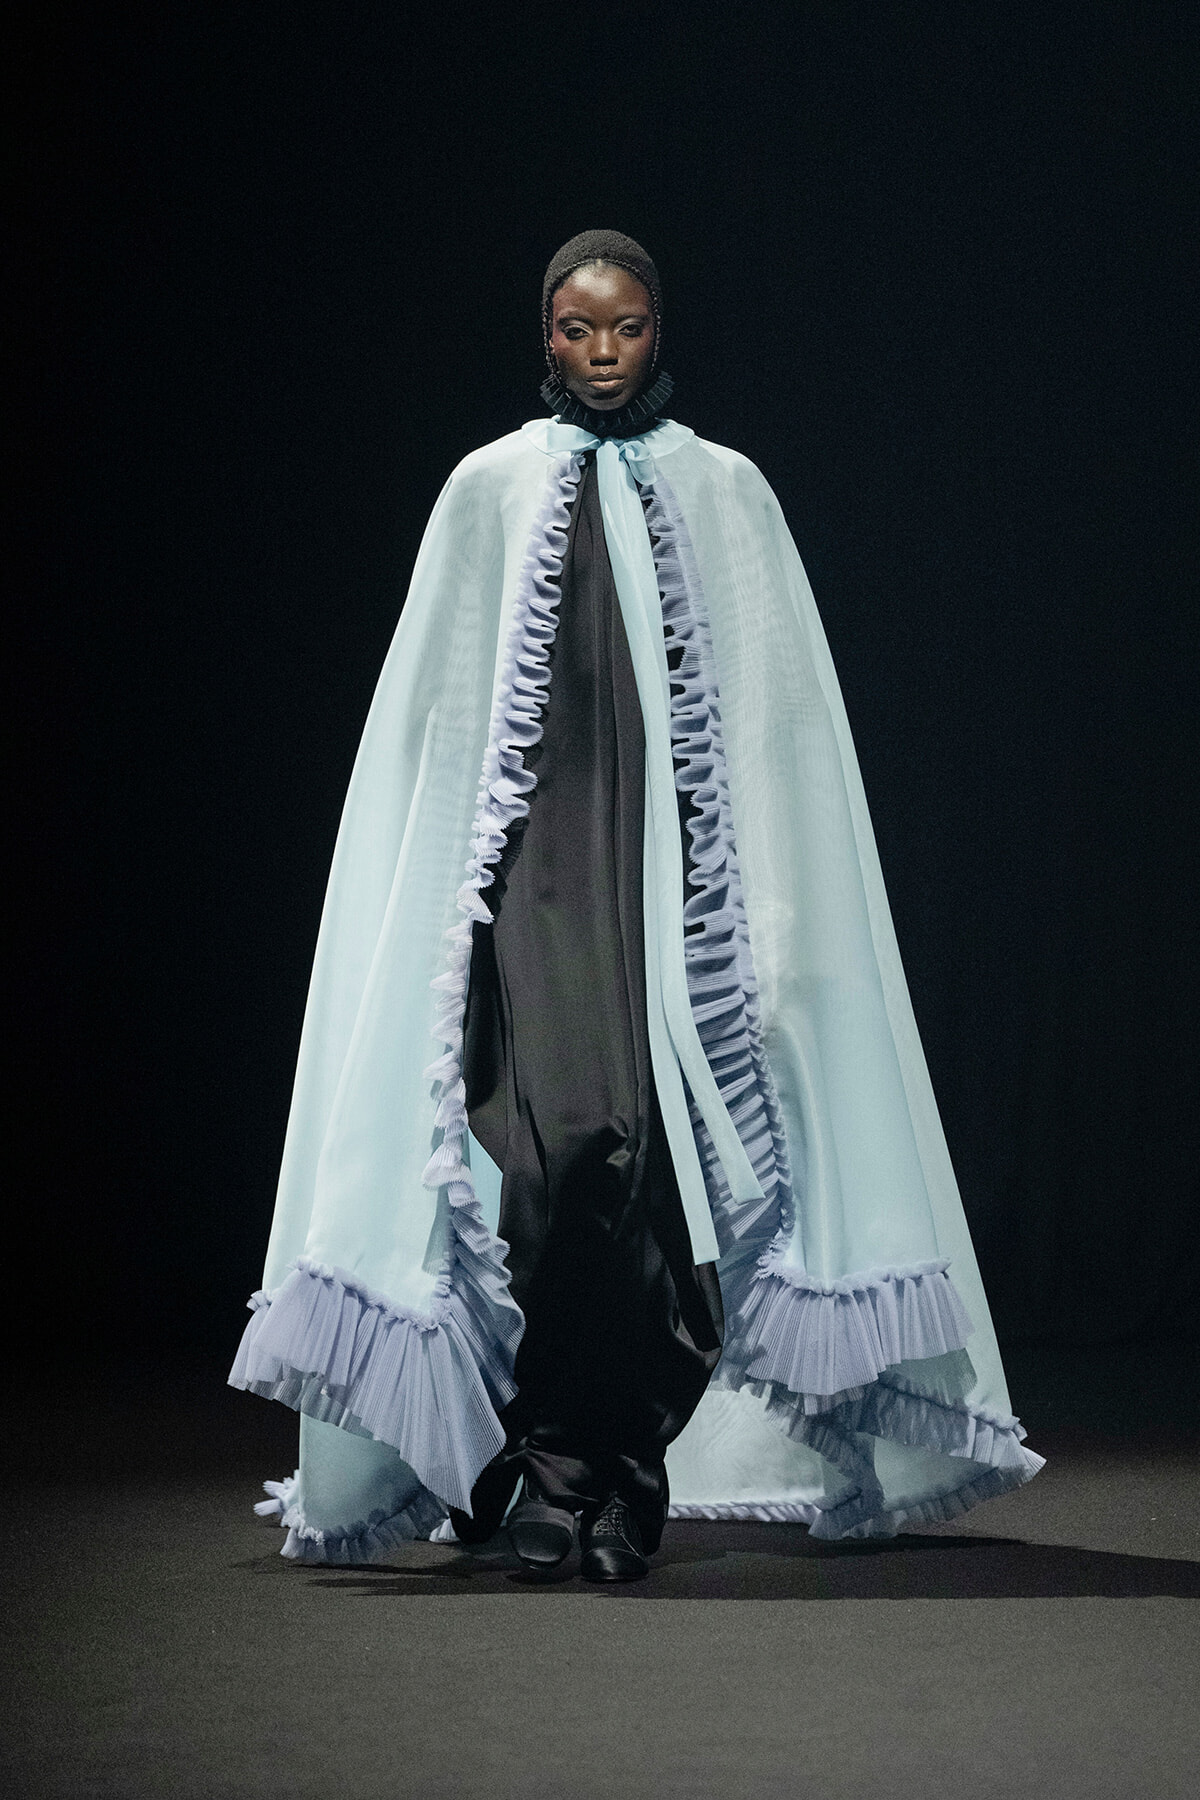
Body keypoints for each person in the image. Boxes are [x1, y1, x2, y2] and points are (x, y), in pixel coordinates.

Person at [232, 230, 1042, 1581]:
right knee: (552, 1172)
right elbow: (431, 729)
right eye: (575, 329)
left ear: (660, 334)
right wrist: (443, 912)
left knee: (649, 1195)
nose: (601, 353)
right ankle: (548, 1471)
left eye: (625, 328)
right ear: (542, 336)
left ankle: (620, 1480)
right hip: (532, 887)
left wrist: (771, 919)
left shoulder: (728, 493)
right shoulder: (487, 488)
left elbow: (781, 726)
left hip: (676, 906)